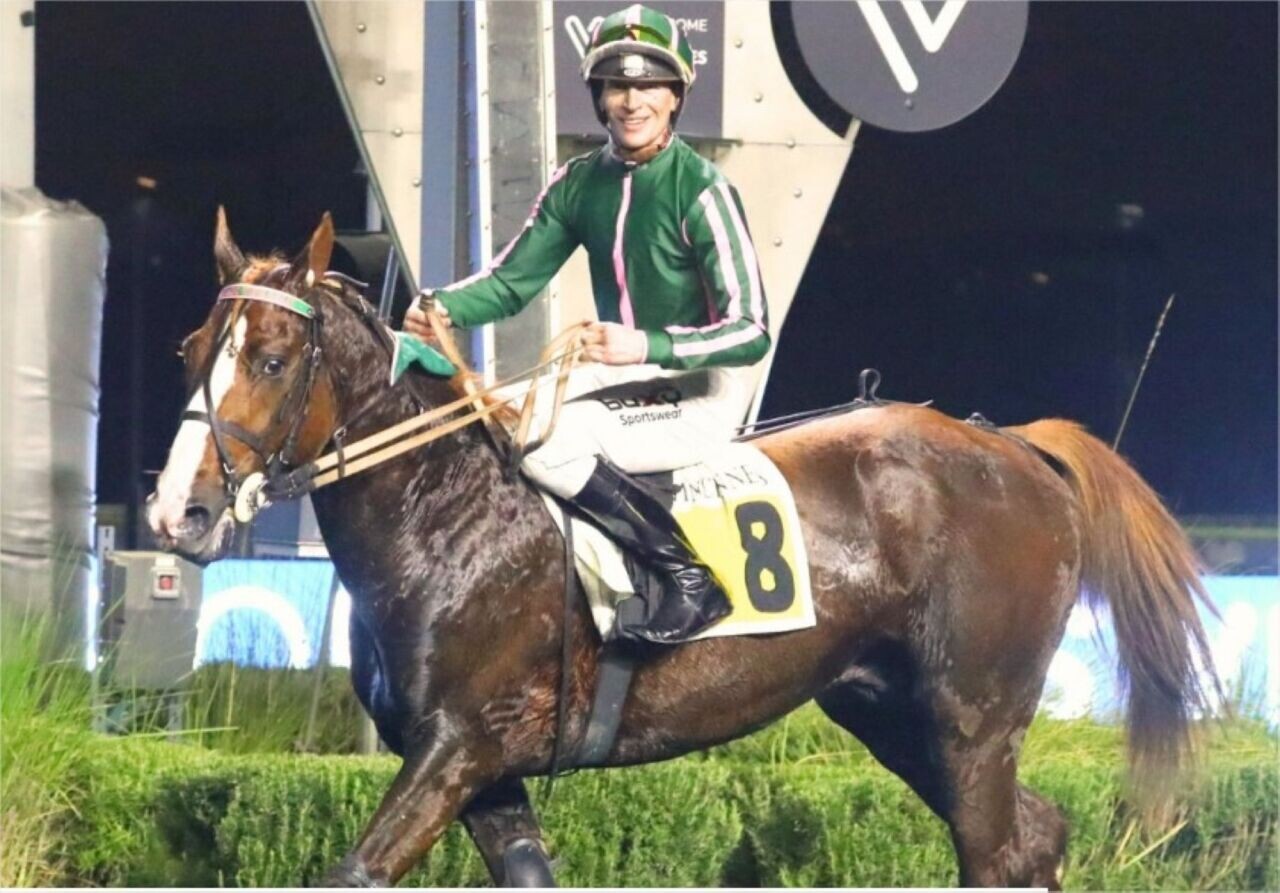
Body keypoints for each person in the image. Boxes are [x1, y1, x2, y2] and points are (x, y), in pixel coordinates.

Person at [404, 4, 770, 645]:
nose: (633, 101)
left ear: (676, 95)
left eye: (649, 84)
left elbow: (751, 331)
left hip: (701, 389)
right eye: (617, 85)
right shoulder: (576, 184)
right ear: (599, 97)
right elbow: (509, 283)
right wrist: (440, 305)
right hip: (617, 379)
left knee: (547, 441)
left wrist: (646, 345)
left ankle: (690, 580)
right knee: (490, 423)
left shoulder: (704, 189)